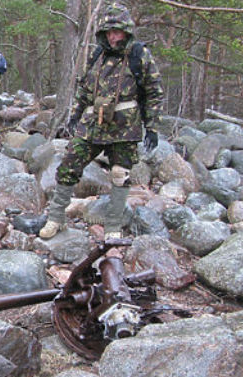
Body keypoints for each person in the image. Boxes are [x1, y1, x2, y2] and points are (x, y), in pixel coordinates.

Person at [39, 3, 164, 240]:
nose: (113, 36)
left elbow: (154, 92)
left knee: (119, 174)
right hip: (93, 123)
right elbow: (85, 89)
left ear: (126, 31)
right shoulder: (98, 55)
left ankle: (113, 226)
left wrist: (152, 127)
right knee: (68, 165)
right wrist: (75, 116)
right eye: (109, 32)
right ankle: (56, 218)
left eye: (117, 31)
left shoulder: (139, 55)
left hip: (125, 127)